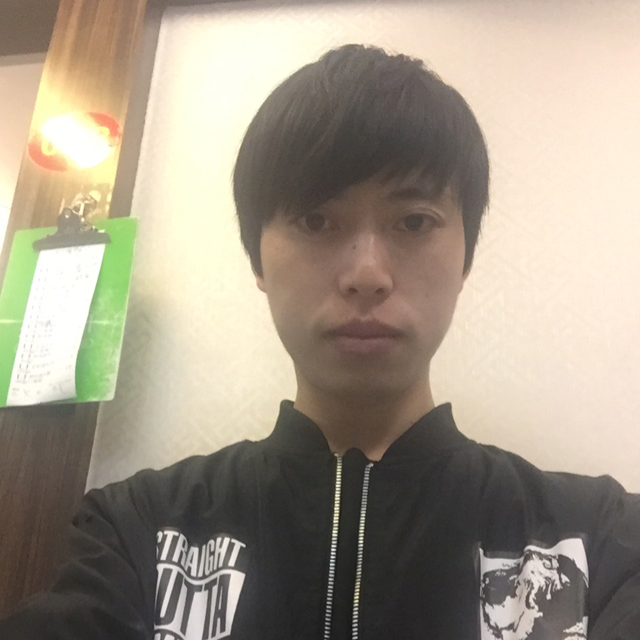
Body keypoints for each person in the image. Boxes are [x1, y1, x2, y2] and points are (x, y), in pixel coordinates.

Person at [1, 43, 639, 640]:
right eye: (315, 220)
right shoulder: (136, 530)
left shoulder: (602, 539)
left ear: (466, 254)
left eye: (414, 221)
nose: (367, 274)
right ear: (257, 257)